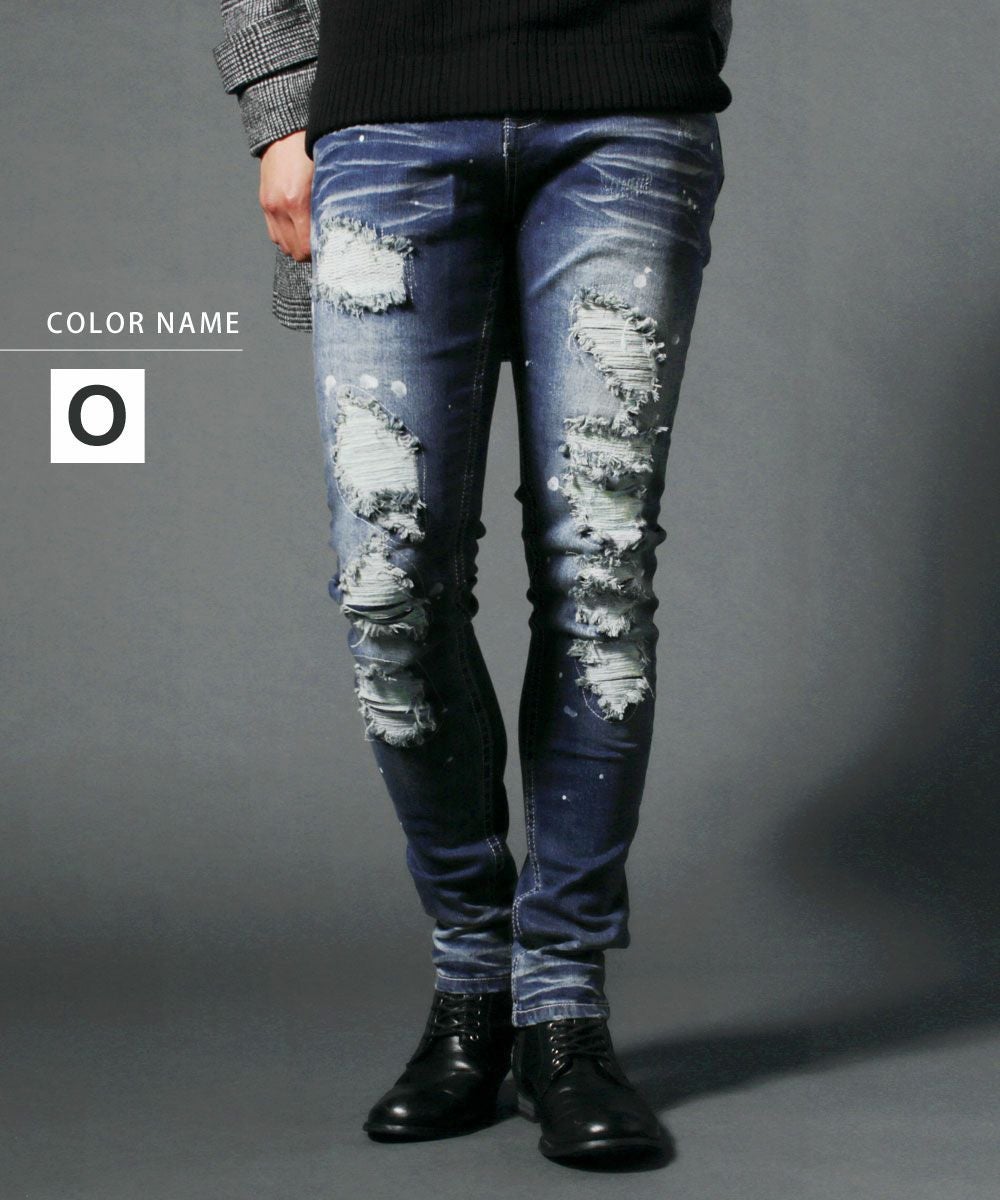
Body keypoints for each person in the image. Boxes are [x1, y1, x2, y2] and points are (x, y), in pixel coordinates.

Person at [214, 0, 732, 1164]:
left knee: (601, 574)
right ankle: (471, 975)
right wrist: (280, 115)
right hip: (388, 109)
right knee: (388, 581)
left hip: (625, 101)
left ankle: (560, 1001)